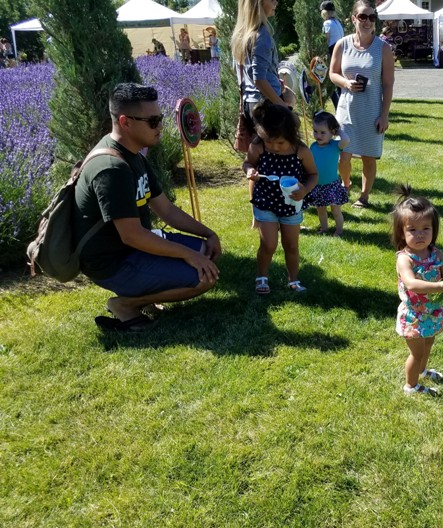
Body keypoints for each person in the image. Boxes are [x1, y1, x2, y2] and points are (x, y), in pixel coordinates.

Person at [73, 83, 221, 332]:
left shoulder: (135, 156)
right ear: (125, 122)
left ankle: (147, 289)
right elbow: (131, 235)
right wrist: (187, 254)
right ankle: (126, 304)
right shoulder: (112, 168)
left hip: (132, 248)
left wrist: (207, 233)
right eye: (152, 121)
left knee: (206, 252)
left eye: (160, 119)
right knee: (204, 277)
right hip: (113, 262)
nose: (160, 127)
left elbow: (166, 210)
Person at [391, 186, 443, 395]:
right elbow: (412, 284)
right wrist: (441, 286)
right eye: (412, 229)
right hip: (414, 314)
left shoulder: (436, 254)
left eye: (426, 228)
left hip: (432, 312)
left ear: (434, 230)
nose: (420, 234)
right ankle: (411, 386)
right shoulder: (404, 258)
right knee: (416, 352)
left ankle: (422, 371)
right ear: (402, 233)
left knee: (428, 344)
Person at [243, 103, 318, 294]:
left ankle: (293, 280)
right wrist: (250, 170)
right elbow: (248, 163)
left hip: (291, 205)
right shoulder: (258, 146)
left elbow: (313, 175)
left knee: (291, 245)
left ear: (291, 137)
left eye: (280, 143)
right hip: (266, 202)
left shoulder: (301, 151)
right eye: (269, 142)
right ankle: (262, 277)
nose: (274, 147)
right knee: (268, 244)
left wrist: (305, 190)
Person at [330, 0, 395, 209]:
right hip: (346, 109)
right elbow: (332, 73)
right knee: (344, 154)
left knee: (368, 157)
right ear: (353, 19)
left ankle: (364, 196)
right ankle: (345, 184)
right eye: (363, 17)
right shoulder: (342, 44)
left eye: (372, 17)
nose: (367, 21)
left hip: (371, 111)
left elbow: (388, 84)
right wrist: (346, 83)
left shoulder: (383, 48)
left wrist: (384, 115)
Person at [232, 0, 289, 142]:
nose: (276, 2)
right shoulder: (261, 35)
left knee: (260, 158)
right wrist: (283, 106)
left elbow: (245, 76)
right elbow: (259, 80)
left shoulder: (243, 34)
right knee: (281, 157)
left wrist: (273, 81)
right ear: (258, 3)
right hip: (266, 106)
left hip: (250, 104)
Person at [305, 111, 350, 236]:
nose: (318, 135)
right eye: (315, 131)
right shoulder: (313, 146)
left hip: (331, 185)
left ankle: (339, 230)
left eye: (323, 132)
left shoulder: (335, 146)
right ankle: (324, 228)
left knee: (336, 210)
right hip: (317, 185)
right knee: (321, 210)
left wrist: (339, 131)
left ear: (332, 133)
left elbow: (346, 140)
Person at [320, 1, 344, 109]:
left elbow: (326, 40)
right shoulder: (337, 22)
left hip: (331, 53)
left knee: (329, 84)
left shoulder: (327, 23)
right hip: (341, 53)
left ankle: (337, 107)